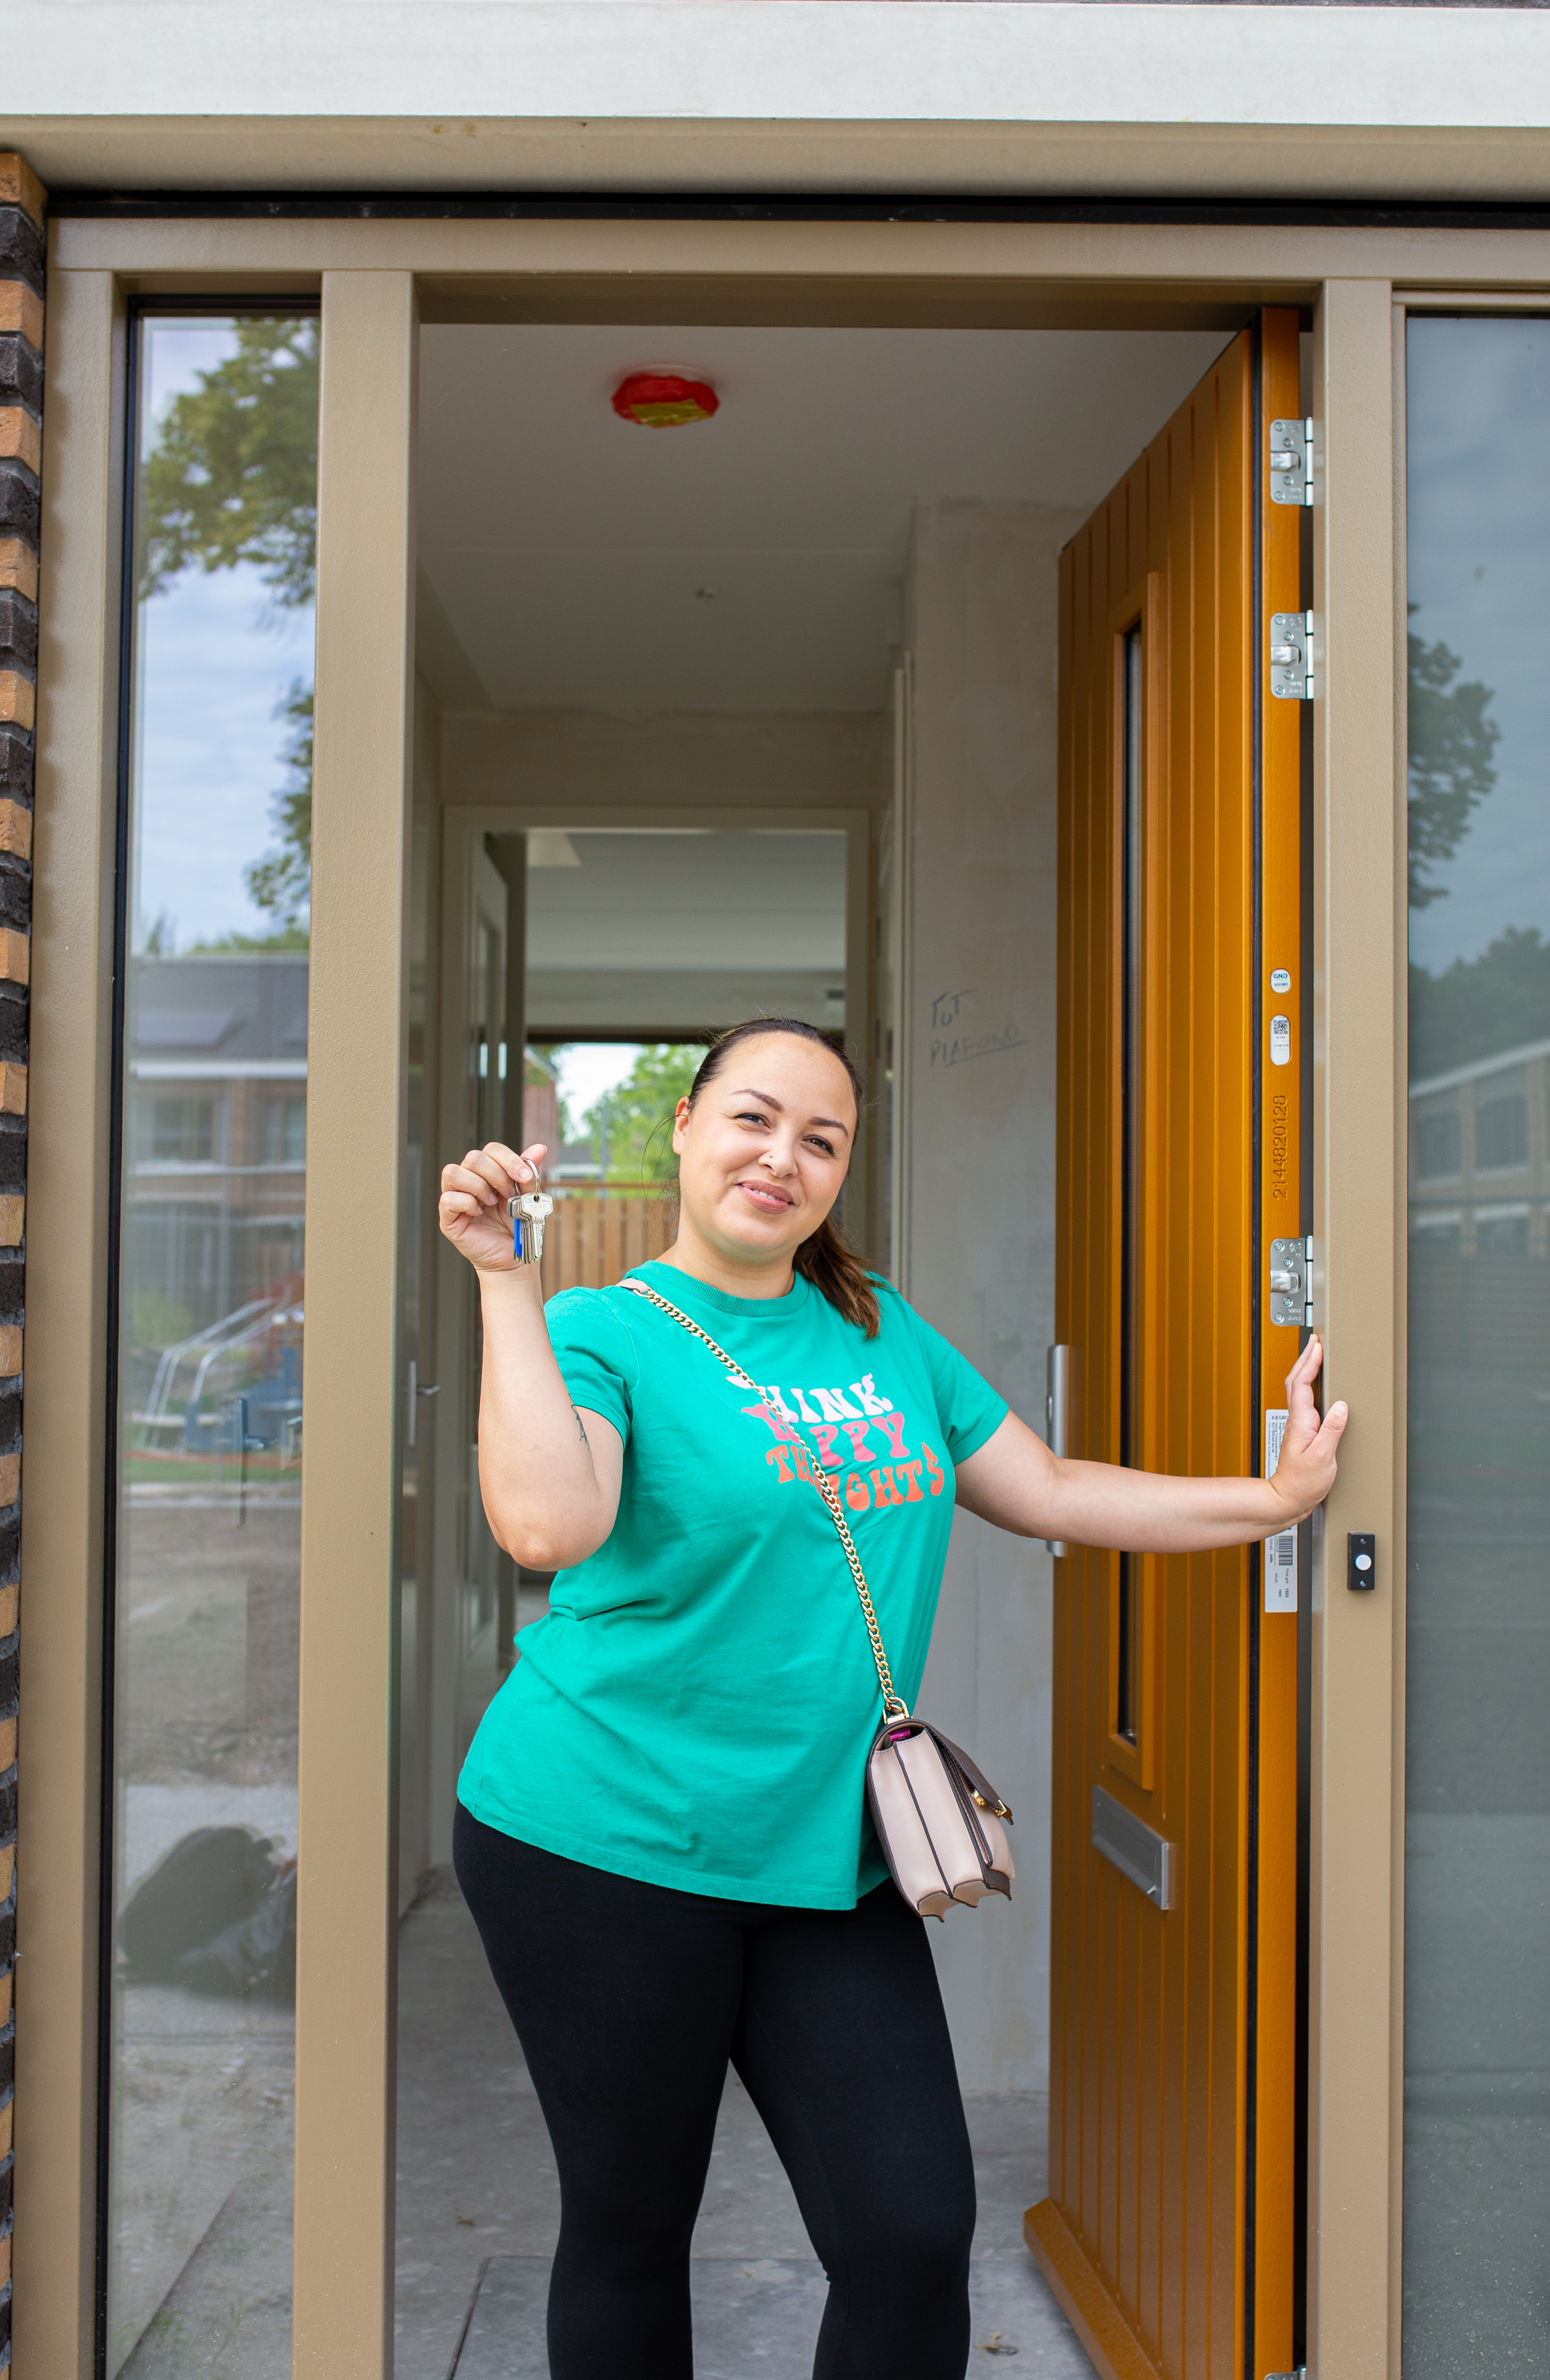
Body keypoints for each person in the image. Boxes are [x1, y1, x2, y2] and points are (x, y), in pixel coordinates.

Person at [440, 1016, 1347, 2380]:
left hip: (825, 1854)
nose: (782, 1157)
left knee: (912, 2231)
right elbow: (550, 1526)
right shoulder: (603, 1330)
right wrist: (504, 1285)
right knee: (632, 2229)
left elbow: (1046, 1490)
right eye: (753, 1119)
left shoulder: (879, 1331)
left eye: (822, 1138)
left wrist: (1272, 1497)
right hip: (603, 1842)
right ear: (683, 1129)